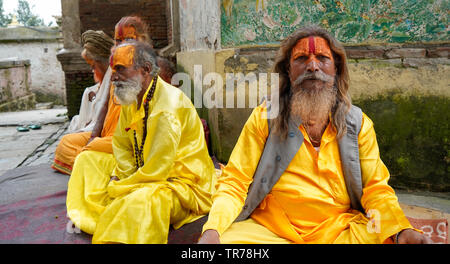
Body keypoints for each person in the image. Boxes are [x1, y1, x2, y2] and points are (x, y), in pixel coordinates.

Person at [198, 26, 432, 244]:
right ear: (289, 71)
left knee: (387, 237)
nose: (312, 66)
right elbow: (236, 181)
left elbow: (375, 189)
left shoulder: (358, 124)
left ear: (336, 68)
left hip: (339, 230)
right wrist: (212, 230)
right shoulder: (266, 117)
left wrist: (402, 229)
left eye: (322, 58)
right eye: (301, 59)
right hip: (271, 230)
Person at [66, 41, 216, 244]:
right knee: (86, 160)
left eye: (120, 69)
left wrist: (119, 185)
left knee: (142, 200)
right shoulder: (132, 96)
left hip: (176, 182)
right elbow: (121, 144)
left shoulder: (166, 109)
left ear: (145, 70)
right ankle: (114, 210)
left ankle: (118, 208)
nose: (114, 77)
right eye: (113, 70)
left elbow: (158, 170)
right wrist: (121, 174)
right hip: (142, 172)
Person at [51, 30, 117, 175]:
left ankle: (97, 166)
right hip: (106, 135)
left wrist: (92, 136)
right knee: (67, 143)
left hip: (117, 138)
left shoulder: (117, 75)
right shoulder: (112, 78)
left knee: (69, 145)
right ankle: (92, 162)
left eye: (93, 66)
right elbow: (104, 109)